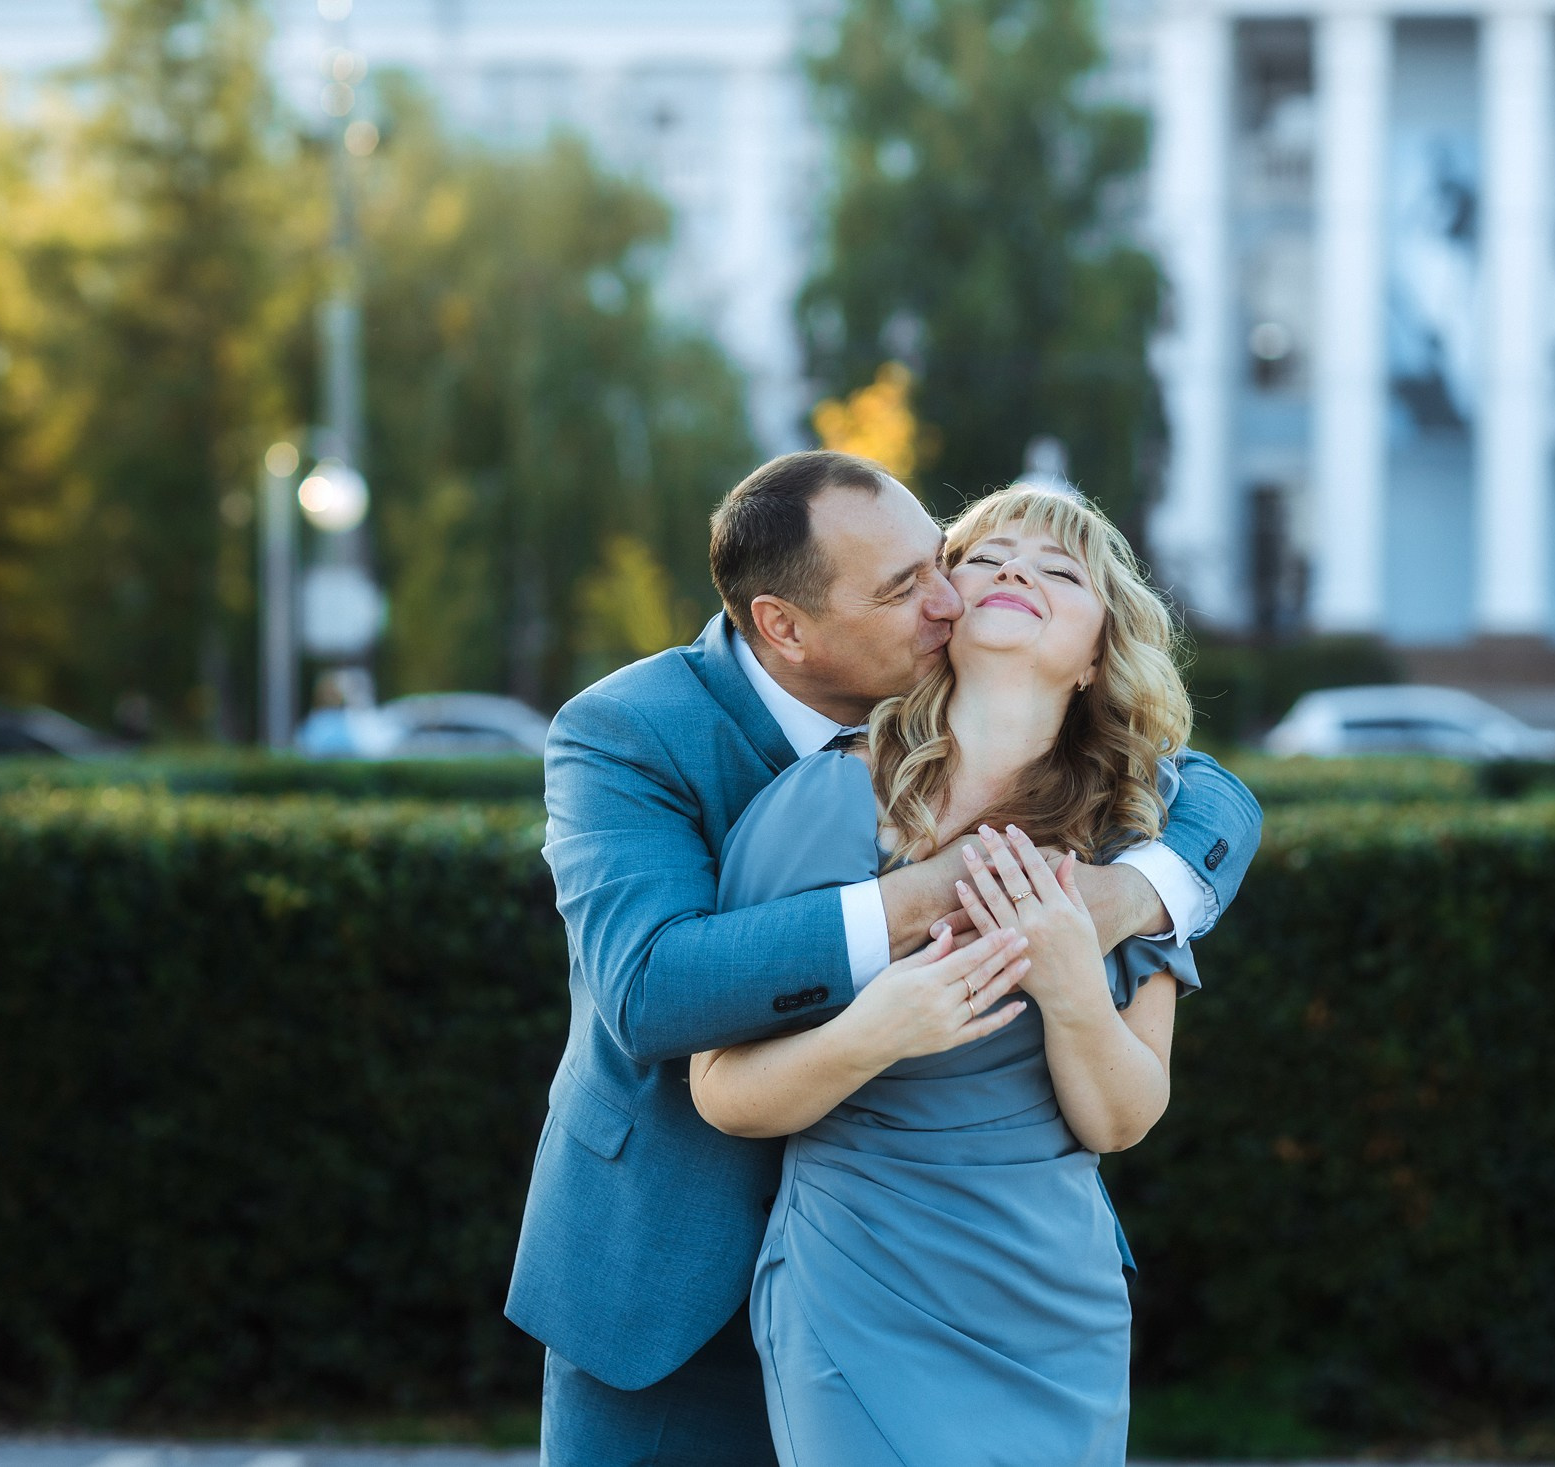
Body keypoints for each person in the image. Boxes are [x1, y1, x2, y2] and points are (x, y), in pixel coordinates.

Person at [505, 450, 1262, 1467]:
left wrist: (1125, 899)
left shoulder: (1097, 797)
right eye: (908, 586)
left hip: (998, 1280)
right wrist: (944, 890)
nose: (952, 599)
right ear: (785, 627)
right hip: (671, 1267)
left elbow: (1207, 796)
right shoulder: (629, 732)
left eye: (939, 560)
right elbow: (651, 990)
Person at [689, 483, 1200, 1465]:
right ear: (941, 615)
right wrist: (878, 1029)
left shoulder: (1138, 839)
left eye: (1059, 571)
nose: (1017, 573)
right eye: (985, 560)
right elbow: (721, 1089)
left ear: (1096, 656)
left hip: (1055, 1308)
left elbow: (1122, 1118)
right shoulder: (822, 801)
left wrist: (1070, 985)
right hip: (858, 1288)